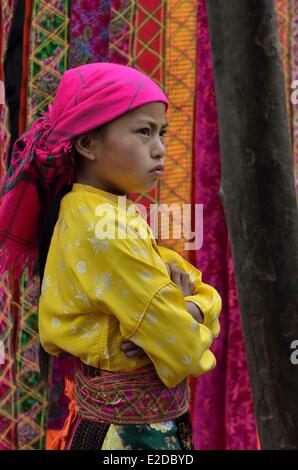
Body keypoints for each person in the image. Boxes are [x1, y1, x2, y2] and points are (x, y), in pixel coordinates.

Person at [0, 62, 221, 450]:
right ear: (87, 144)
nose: (160, 148)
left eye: (162, 132)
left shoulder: (105, 212)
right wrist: (190, 315)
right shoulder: (106, 228)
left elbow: (191, 289)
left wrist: (192, 309)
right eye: (143, 132)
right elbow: (185, 350)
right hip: (128, 437)